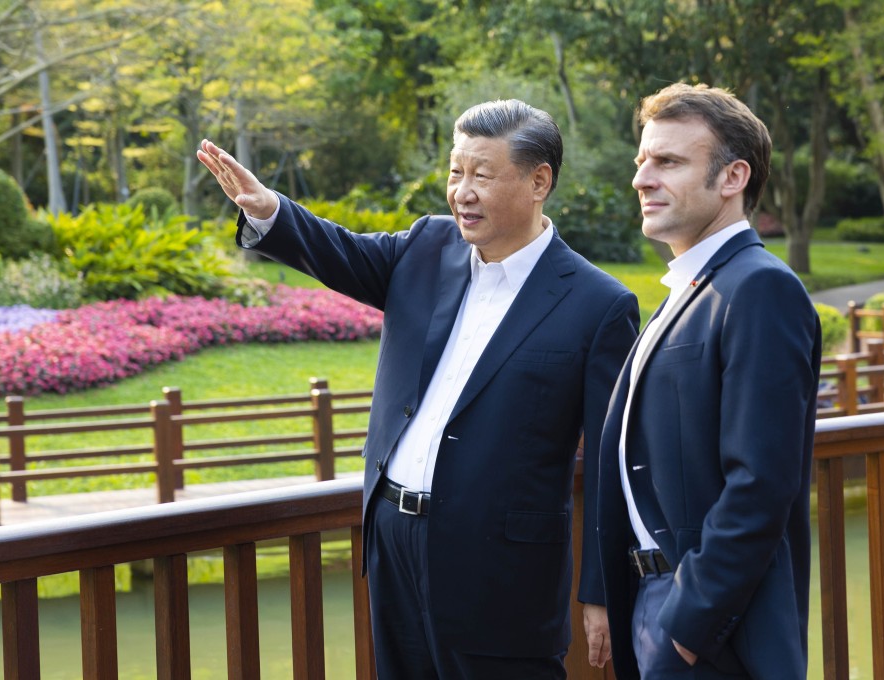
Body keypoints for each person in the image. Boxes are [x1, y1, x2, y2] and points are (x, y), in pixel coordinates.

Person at [197, 99, 639, 680]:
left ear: (539, 181)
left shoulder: (598, 304)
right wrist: (269, 210)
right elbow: (342, 251)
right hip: (393, 541)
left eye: (482, 173)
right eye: (456, 172)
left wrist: (603, 591)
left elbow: (612, 461)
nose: (462, 191)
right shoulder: (427, 247)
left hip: (503, 574)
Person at [588, 82, 822, 679]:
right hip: (652, 605)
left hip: (712, 630)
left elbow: (760, 485)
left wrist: (686, 632)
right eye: (642, 161)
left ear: (731, 178)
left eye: (667, 162)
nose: (642, 179)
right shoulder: (686, 291)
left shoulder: (760, 289)